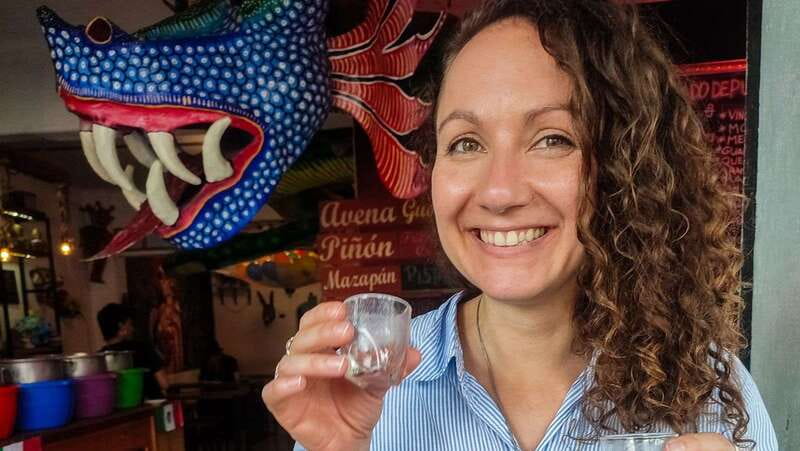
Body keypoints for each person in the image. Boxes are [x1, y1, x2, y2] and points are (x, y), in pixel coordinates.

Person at [263, 1, 779, 450]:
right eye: (466, 143)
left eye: (552, 138)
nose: (499, 192)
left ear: (629, 169)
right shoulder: (369, 389)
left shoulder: (709, 389)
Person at [97, 303, 169, 399]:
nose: (133, 329)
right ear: (121, 326)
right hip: (149, 408)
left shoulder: (99, 358)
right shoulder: (143, 348)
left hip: (120, 413)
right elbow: (164, 383)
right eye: (130, 324)